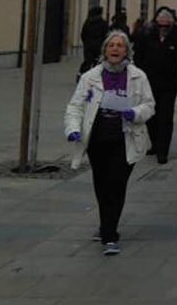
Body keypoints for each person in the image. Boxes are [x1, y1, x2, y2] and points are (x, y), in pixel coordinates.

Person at [64, 30, 155, 256]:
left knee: (117, 184)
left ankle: (110, 235)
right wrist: (73, 129)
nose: (115, 49)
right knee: (102, 185)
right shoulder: (90, 77)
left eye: (120, 46)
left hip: (125, 139)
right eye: (111, 45)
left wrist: (134, 113)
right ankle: (107, 224)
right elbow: (76, 106)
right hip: (98, 139)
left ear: (127, 51)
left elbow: (149, 105)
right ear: (105, 50)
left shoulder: (138, 77)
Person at [133, 7, 177, 164]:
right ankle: (155, 144)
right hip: (149, 83)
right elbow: (138, 56)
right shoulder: (146, 36)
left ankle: (163, 150)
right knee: (150, 116)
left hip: (169, 85)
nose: (163, 29)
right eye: (160, 25)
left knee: (165, 117)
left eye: (166, 26)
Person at [80, 6, 109, 74]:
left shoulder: (88, 22)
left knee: (87, 62)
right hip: (99, 46)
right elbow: (106, 35)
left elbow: (83, 34)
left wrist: (86, 43)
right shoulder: (103, 23)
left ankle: (82, 74)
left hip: (88, 46)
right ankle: (96, 75)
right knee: (98, 62)